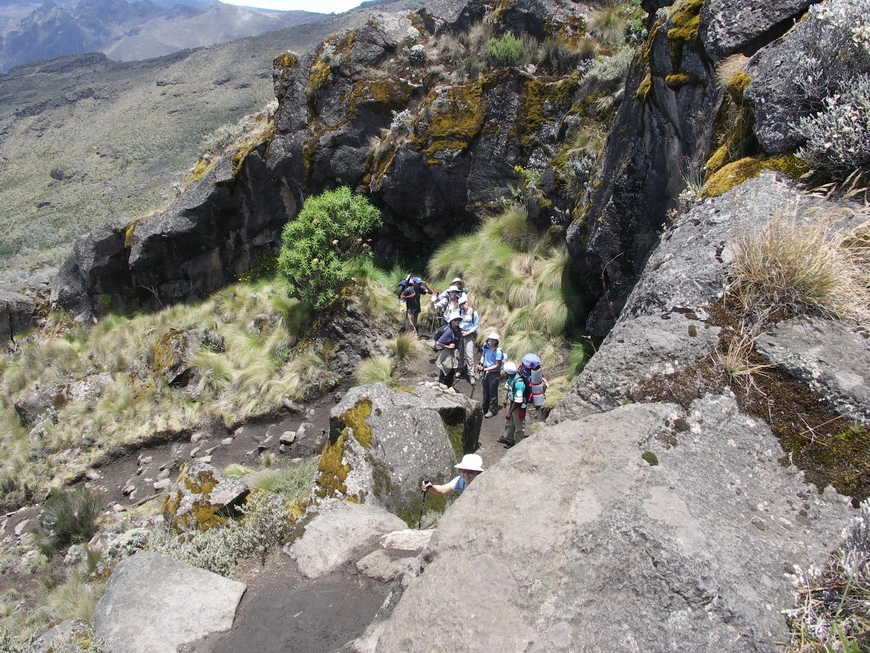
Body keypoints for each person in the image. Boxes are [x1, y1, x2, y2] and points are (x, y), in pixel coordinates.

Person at [498, 361, 526, 449]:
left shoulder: (519, 384)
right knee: (509, 423)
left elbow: (518, 401)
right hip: (512, 404)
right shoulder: (510, 378)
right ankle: (508, 438)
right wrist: (506, 399)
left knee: (519, 426)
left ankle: (518, 444)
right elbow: (509, 389)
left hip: (517, 407)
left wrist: (510, 412)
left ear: (507, 372)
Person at [477, 332, 504, 418]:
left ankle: (492, 410)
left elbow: (497, 364)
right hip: (486, 371)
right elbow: (483, 356)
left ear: (496, 341)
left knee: (492, 392)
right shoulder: (486, 347)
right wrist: (481, 363)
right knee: (485, 390)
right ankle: (485, 407)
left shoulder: (498, 351)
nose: (491, 341)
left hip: (494, 373)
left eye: (494, 340)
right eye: (490, 339)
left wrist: (485, 369)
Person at [435, 311, 462, 387]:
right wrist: (448, 346)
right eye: (455, 320)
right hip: (447, 354)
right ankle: (442, 386)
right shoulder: (449, 331)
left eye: (458, 320)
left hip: (453, 354)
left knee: (451, 371)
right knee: (445, 370)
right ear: (451, 321)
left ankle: (448, 386)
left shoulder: (458, 329)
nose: (457, 321)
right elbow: (438, 343)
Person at [457, 298, 479, 385]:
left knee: (469, 355)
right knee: (460, 353)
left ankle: (471, 375)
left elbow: (476, 325)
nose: (463, 305)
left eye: (464, 303)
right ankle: (460, 368)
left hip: (469, 335)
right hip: (460, 333)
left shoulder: (474, 313)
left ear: (467, 302)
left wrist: (468, 332)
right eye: (461, 304)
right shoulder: (460, 312)